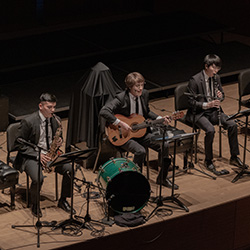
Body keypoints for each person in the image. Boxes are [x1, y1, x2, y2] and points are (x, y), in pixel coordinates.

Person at [99, 72, 178, 189]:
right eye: (137, 86)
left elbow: (147, 112)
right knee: (140, 151)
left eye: (142, 85)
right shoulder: (121, 98)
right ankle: (136, 181)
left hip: (142, 132)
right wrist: (120, 123)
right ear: (130, 87)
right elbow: (104, 111)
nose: (140, 88)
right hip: (124, 135)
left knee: (164, 144)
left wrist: (159, 118)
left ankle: (162, 178)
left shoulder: (144, 94)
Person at [14, 93, 74, 217]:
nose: (53, 110)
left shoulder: (55, 120)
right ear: (40, 106)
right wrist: (38, 155)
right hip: (32, 156)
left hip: (50, 154)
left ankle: (63, 200)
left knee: (69, 169)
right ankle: (35, 205)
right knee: (38, 179)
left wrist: (59, 141)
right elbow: (19, 144)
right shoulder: (28, 121)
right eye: (49, 107)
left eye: (54, 107)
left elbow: (58, 135)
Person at [186, 54, 244, 172]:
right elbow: (190, 101)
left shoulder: (216, 78)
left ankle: (234, 156)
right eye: (214, 68)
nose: (216, 71)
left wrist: (220, 96)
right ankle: (208, 160)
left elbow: (222, 94)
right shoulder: (195, 80)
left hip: (213, 111)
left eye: (218, 68)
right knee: (210, 130)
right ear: (206, 66)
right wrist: (206, 105)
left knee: (232, 125)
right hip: (199, 113)